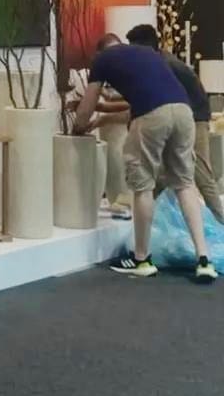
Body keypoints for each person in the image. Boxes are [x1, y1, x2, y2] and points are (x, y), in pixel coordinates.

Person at [73, 34, 216, 281]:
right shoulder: (146, 54)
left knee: (143, 186)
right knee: (185, 183)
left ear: (99, 52)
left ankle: (142, 259)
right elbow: (149, 103)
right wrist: (102, 119)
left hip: (153, 115)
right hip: (184, 112)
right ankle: (204, 260)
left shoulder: (102, 61)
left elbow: (87, 106)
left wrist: (78, 127)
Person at [126, 23, 224, 224]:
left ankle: (220, 221)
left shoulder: (165, 65)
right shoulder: (159, 62)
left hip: (195, 118)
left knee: (201, 175)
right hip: (182, 117)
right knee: (163, 174)